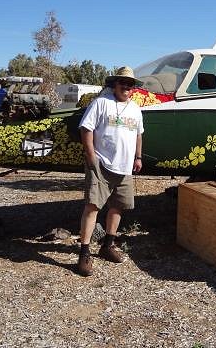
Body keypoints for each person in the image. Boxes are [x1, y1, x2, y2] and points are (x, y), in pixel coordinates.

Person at [76, 66, 144, 276]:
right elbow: (86, 128)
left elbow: (139, 134)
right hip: (102, 164)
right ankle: (84, 253)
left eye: (130, 84)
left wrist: (138, 157)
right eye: (123, 82)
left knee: (118, 207)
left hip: (125, 167)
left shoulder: (135, 109)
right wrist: (91, 156)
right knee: (92, 207)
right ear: (115, 84)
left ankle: (107, 245)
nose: (126, 87)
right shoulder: (101, 103)